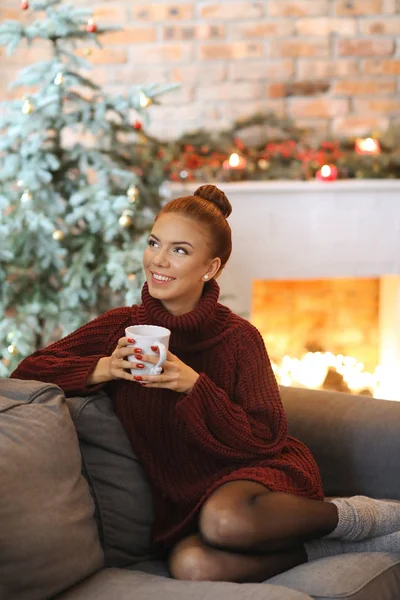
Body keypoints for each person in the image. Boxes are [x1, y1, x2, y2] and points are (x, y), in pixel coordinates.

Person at [11, 184, 400, 583]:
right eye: (154, 243)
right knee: (192, 566)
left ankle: (368, 517)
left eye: (180, 250)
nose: (158, 260)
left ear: (210, 268)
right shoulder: (120, 328)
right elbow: (27, 372)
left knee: (224, 519)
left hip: (257, 479)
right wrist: (105, 368)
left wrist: (195, 387)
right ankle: (345, 546)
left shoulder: (238, 338)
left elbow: (266, 436)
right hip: (183, 500)